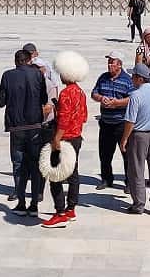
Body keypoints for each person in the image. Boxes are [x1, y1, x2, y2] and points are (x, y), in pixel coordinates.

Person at [0, 49, 50, 215]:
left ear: (15, 61)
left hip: (16, 126)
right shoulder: (38, 75)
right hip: (34, 126)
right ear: (29, 60)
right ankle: (34, 204)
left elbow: (1, 102)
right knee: (34, 165)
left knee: (18, 165)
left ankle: (21, 202)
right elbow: (44, 99)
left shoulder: (7, 75)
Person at [41, 51, 89, 228]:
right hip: (77, 137)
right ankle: (71, 209)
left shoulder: (66, 94)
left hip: (65, 139)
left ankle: (60, 212)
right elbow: (84, 116)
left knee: (55, 175)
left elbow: (63, 119)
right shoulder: (80, 92)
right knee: (73, 173)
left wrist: (56, 139)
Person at [120, 63, 150, 216]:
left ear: (140, 78)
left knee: (136, 170)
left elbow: (130, 121)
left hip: (139, 136)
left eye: (133, 76)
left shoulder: (135, 95)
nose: (132, 79)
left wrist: (124, 139)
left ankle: (138, 205)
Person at [91, 51, 133, 190]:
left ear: (119, 65)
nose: (109, 65)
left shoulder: (127, 80)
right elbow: (94, 93)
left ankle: (129, 182)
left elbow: (132, 99)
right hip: (106, 123)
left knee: (127, 154)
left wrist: (117, 103)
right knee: (104, 154)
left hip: (121, 123)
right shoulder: (103, 77)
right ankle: (106, 179)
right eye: (108, 62)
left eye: (112, 62)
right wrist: (101, 98)